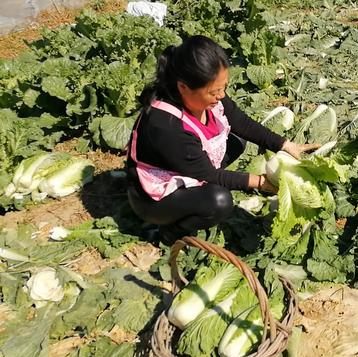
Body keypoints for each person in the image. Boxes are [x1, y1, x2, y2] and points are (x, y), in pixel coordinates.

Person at [126, 35, 319, 245]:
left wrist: (286, 145)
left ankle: (193, 202)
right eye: (214, 91)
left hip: (189, 166)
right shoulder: (165, 125)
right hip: (153, 198)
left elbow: (240, 122)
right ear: (183, 87)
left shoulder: (207, 93)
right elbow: (208, 174)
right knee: (219, 201)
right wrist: (261, 182)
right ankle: (168, 233)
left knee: (236, 140)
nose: (221, 95)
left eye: (223, 87)